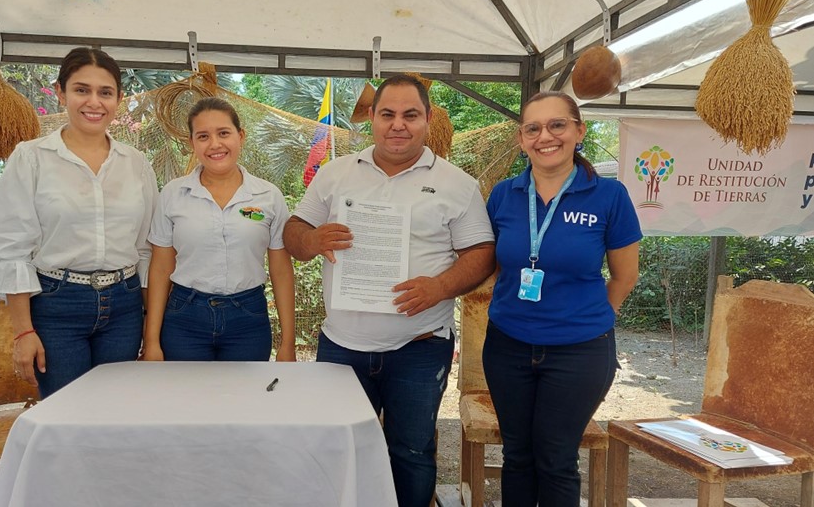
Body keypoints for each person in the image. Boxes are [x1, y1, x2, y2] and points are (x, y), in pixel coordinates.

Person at [284, 74, 495, 507]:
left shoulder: (457, 184)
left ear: (427, 119)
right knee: (336, 450)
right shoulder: (335, 173)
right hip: (342, 346)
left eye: (410, 115)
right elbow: (294, 231)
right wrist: (312, 241)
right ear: (372, 119)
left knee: (412, 453)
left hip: (418, 348)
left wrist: (440, 287)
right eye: (388, 115)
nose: (398, 125)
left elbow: (482, 254)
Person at [482, 91, 641, 506]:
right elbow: (498, 264)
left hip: (579, 353)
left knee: (555, 459)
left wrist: (587, 320)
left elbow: (625, 277)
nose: (545, 136)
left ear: (578, 131)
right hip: (508, 346)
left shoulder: (609, 196)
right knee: (517, 456)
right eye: (533, 128)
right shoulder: (503, 195)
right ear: (521, 139)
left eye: (557, 125)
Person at [0, 47, 158, 398]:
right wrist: (23, 332)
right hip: (57, 305)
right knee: (65, 415)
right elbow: (12, 249)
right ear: (60, 92)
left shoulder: (135, 163)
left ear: (119, 99)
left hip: (124, 306)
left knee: (117, 411)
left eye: (105, 92)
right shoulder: (31, 158)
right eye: (81, 90)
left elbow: (145, 248)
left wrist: (150, 324)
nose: (94, 102)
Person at [141, 97, 295, 362]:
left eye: (224, 133)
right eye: (203, 136)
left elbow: (281, 271)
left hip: (248, 320)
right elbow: (160, 269)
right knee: (187, 399)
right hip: (185, 319)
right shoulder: (173, 194)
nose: (215, 144)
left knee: (244, 400)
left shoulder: (268, 196)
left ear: (240, 136)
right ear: (192, 143)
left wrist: (288, 344)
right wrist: (152, 341)